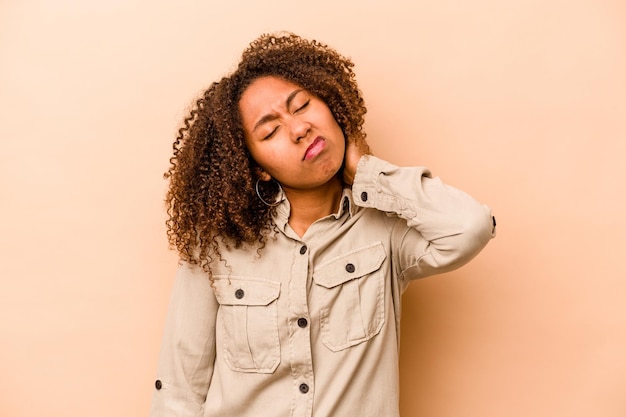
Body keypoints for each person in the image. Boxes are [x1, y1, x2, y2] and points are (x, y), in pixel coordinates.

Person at [150, 32, 496, 417]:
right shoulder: (217, 246)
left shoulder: (386, 231)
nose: (299, 129)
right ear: (258, 168)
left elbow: (470, 227)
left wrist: (365, 170)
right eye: (270, 130)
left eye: (302, 106)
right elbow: (178, 393)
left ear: (332, 106)